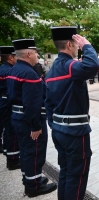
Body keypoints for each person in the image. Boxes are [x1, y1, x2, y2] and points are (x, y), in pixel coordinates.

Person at [45, 26, 99, 200]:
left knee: (66, 173)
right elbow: (93, 65)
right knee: (77, 176)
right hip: (75, 133)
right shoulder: (69, 66)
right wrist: (88, 46)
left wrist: (54, 125)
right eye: (76, 45)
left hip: (60, 131)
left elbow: (47, 103)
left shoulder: (51, 70)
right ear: (69, 44)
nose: (78, 48)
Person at [7, 39, 57, 197]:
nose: (37, 55)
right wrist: (35, 126)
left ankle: (30, 179)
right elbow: (32, 104)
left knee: (26, 152)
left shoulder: (15, 69)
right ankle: (34, 186)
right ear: (28, 53)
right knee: (34, 152)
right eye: (35, 52)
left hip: (19, 118)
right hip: (29, 121)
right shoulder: (29, 74)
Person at [0, 46, 20, 170]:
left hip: (3, 103)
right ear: (11, 57)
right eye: (16, 56)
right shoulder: (8, 71)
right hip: (7, 104)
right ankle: (12, 160)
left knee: (8, 131)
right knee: (11, 131)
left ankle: (9, 153)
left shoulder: (3, 69)